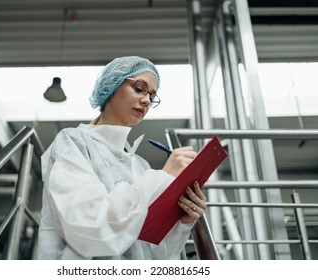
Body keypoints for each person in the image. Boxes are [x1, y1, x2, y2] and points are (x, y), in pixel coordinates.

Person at [38, 56, 207, 260]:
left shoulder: (140, 166)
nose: (146, 100)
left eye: (152, 96)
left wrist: (182, 221)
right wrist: (162, 177)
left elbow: (153, 253)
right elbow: (88, 227)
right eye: (138, 88)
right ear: (112, 86)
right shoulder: (73, 142)